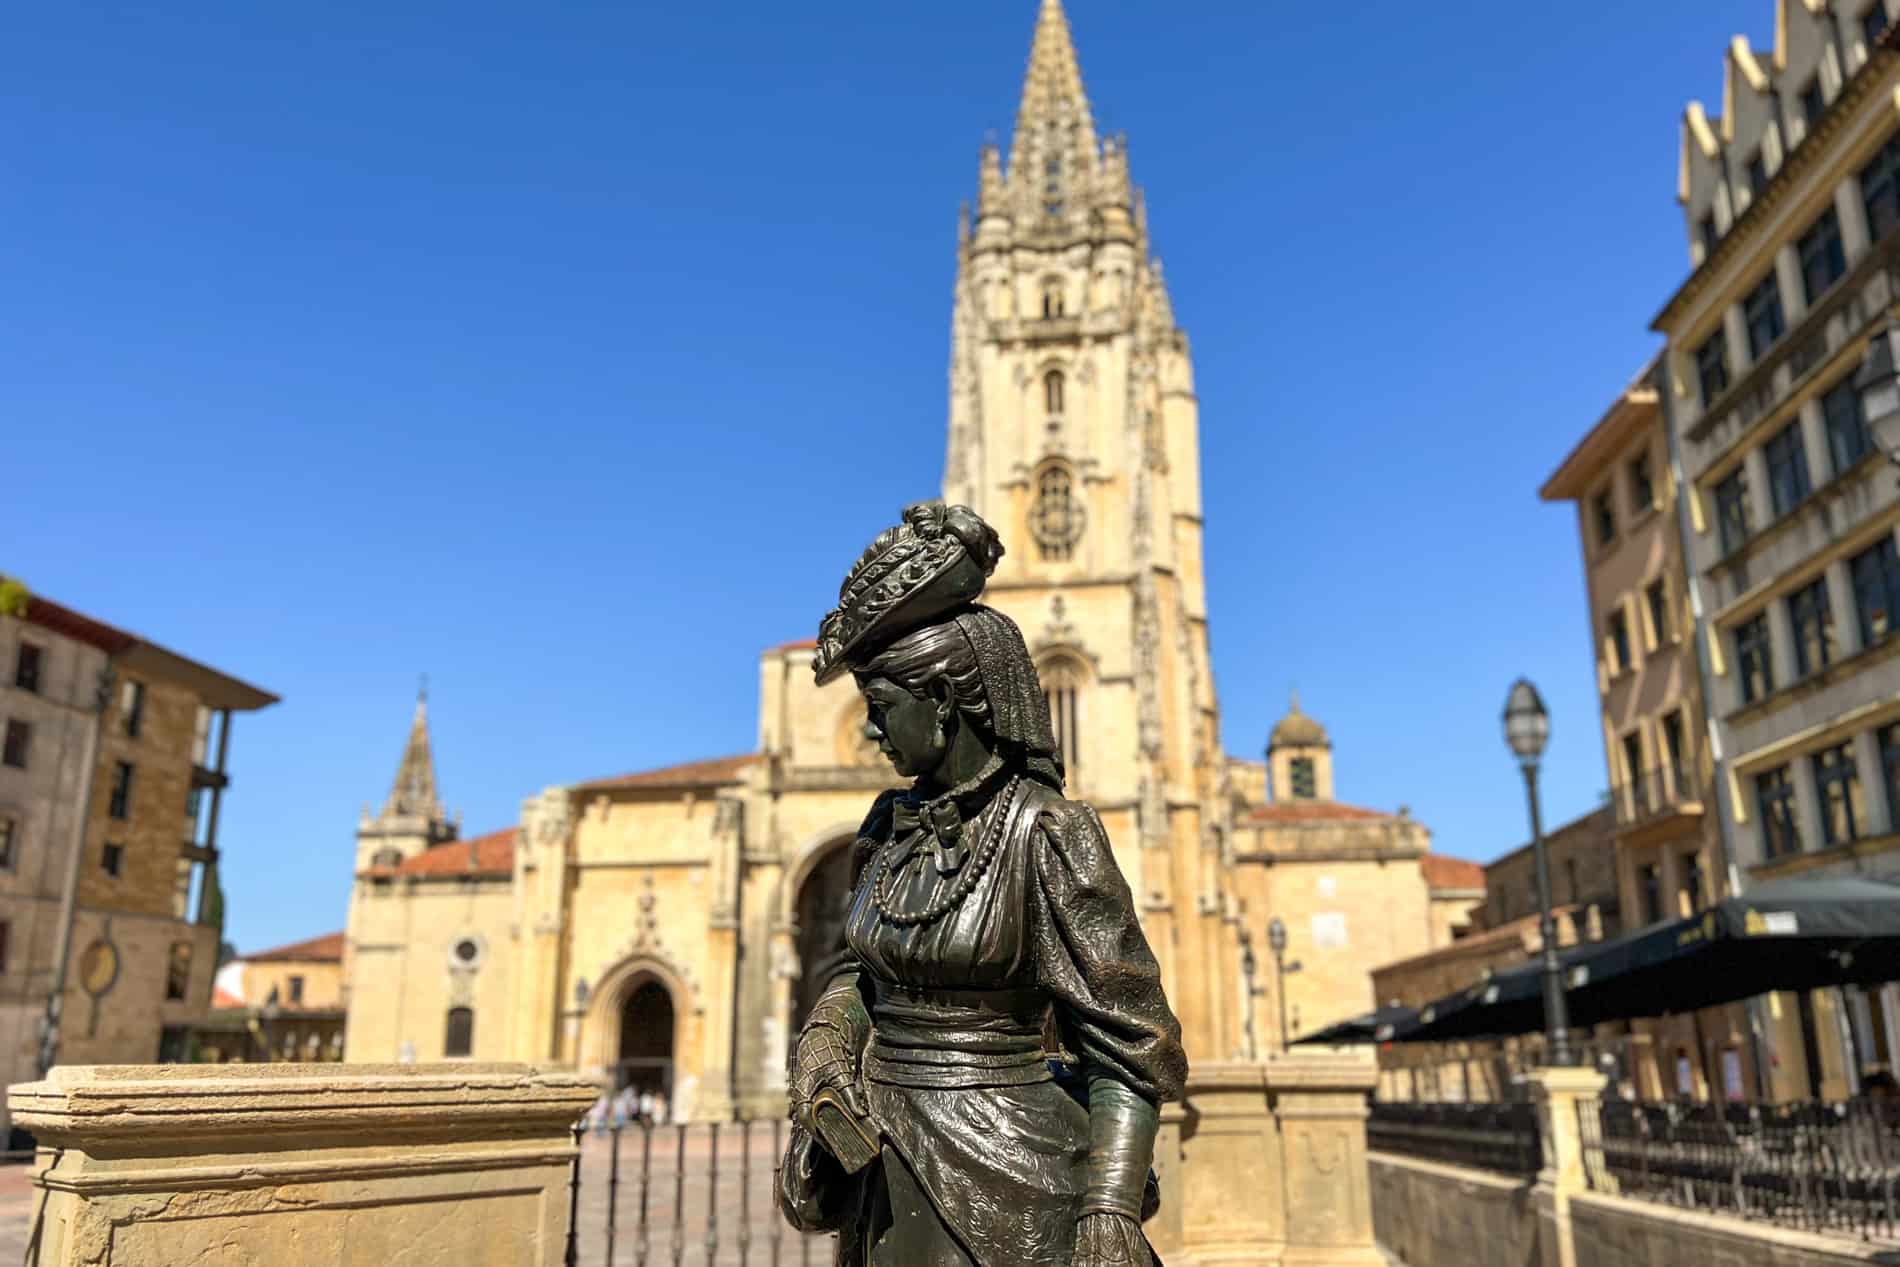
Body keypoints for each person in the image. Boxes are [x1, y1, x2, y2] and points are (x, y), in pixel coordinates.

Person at [777, 502, 1188, 1267]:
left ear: (943, 703)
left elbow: (1134, 1046)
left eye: (882, 709)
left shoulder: (1052, 835)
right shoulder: (886, 826)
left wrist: (1110, 1207)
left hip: (1016, 1167)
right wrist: (829, 1037)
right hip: (881, 1166)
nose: (869, 730)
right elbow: (856, 969)